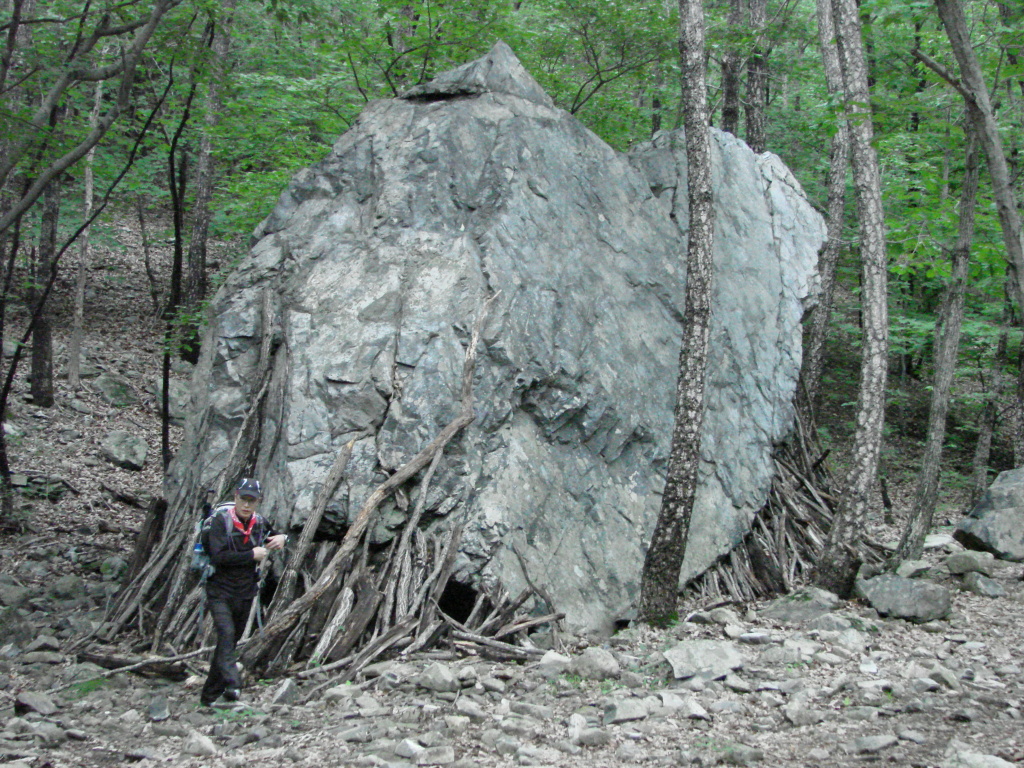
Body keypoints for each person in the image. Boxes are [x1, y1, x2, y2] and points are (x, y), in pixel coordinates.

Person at [200, 478, 286, 707]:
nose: (246, 505)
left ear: (258, 502)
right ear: (235, 497)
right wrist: (250, 556)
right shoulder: (221, 522)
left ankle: (209, 697)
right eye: (243, 499)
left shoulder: (259, 522)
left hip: (246, 590)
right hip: (219, 588)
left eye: (252, 500)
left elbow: (274, 535)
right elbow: (218, 556)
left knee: (230, 641)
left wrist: (282, 538)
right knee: (226, 634)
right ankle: (233, 684)